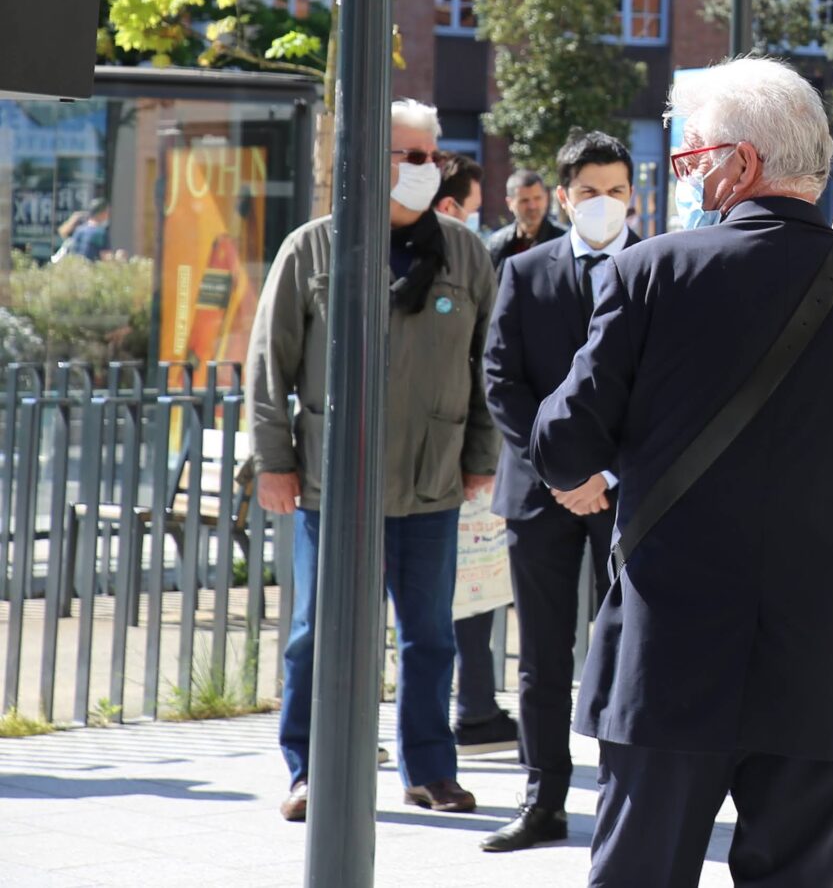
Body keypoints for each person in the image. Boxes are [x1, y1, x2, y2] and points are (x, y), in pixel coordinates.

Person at [530, 57, 833, 888]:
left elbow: (561, 448)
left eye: (693, 158)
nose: (688, 176)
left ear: (741, 163)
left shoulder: (648, 272)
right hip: (817, 661)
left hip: (669, 656)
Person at [246, 99, 498, 823]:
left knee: (429, 638)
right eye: (413, 158)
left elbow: (490, 368)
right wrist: (273, 461)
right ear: (372, 161)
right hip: (335, 482)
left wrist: (481, 456)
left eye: (433, 158)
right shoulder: (315, 249)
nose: (428, 171)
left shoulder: (466, 253)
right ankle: (310, 768)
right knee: (315, 638)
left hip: (431, 482)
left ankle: (429, 769)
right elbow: (270, 366)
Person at [479, 130, 640, 853]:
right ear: (564, 197)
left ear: (632, 195)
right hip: (541, 494)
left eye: (615, 190)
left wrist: (605, 474)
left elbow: (664, 391)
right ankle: (543, 797)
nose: (602, 203)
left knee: (625, 649)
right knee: (542, 658)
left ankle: (623, 797)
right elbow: (502, 380)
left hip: (625, 494)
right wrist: (560, 471)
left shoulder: (656, 267)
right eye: (588, 192)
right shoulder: (526, 271)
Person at [431, 153, 520, 763]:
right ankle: (471, 709)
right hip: (444, 464)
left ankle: (472, 709)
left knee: (463, 594)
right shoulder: (465, 257)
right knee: (457, 595)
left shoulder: (468, 259)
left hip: (455, 459)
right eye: (469, 204)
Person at [488, 166, 565, 269]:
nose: (532, 206)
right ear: (510, 203)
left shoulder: (563, 240)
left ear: (546, 198)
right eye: (524, 200)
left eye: (537, 198)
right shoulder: (497, 245)